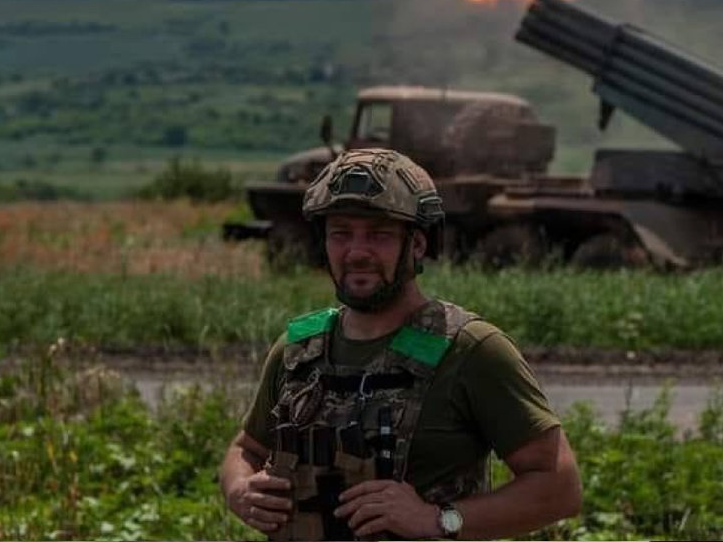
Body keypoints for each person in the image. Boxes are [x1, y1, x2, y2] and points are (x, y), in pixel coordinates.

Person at [218, 148, 582, 540]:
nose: (357, 252)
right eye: (341, 233)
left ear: (418, 245)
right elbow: (246, 449)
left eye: (379, 234)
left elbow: (558, 487)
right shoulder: (298, 350)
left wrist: (438, 520)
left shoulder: (471, 349)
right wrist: (239, 488)